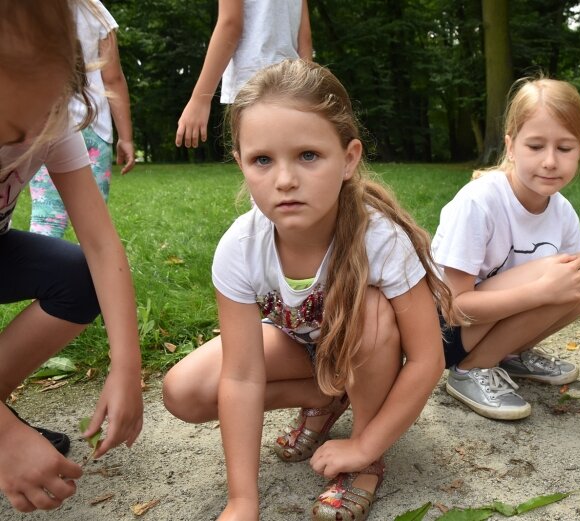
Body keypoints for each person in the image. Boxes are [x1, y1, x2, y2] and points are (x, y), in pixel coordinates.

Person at [162, 59, 455, 521]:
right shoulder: (240, 246)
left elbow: (426, 359)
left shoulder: (379, 239)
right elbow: (241, 376)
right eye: (263, 160)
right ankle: (326, 396)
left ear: (349, 159)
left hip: (367, 349)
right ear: (241, 163)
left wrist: (364, 445)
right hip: (302, 348)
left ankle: (365, 459)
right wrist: (242, 501)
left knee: (372, 313)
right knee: (185, 392)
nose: (285, 180)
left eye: (308, 156)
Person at [0, 0, 143, 512]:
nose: (24, 145)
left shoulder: (47, 112)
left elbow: (102, 246)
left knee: (77, 275)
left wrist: (126, 364)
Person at [431, 77, 580, 420]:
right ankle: (471, 370)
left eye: (564, 148)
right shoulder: (480, 202)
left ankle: (511, 353)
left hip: (490, 320)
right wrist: (541, 291)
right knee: (567, 276)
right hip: (442, 332)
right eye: (535, 146)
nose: (550, 161)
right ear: (510, 146)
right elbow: (454, 308)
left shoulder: (562, 210)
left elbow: (574, 286)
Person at [29, 0, 136, 238]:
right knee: (94, 225)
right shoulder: (95, 10)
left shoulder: (25, 10)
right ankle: (92, 274)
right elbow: (113, 78)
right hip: (94, 129)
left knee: (46, 218)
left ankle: (37, 274)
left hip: (45, 126)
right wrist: (125, 137)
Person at [175, 0, 312, 149]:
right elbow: (304, 39)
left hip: (253, 84)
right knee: (292, 159)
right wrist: (308, 93)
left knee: (261, 161)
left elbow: (230, 24)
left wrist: (200, 100)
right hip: (294, 83)